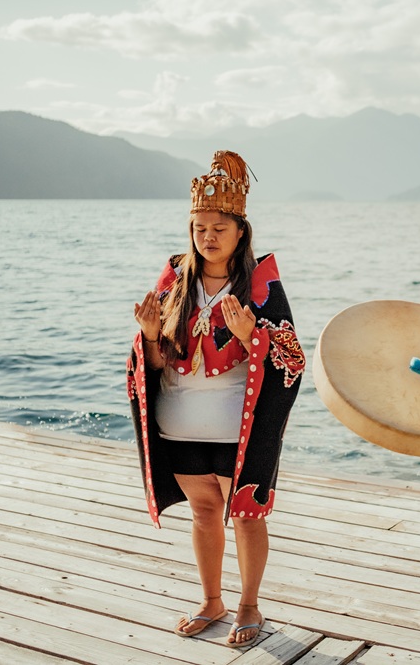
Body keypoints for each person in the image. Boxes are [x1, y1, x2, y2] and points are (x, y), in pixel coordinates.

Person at [126, 150, 305, 647]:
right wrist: (150, 338)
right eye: (199, 227)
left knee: (246, 516)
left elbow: (291, 359)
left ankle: (249, 604)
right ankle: (212, 600)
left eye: (218, 228)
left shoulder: (261, 283)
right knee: (204, 514)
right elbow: (157, 364)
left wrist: (254, 339)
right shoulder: (173, 281)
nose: (207, 237)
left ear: (240, 231)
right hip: (178, 426)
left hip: (237, 431)